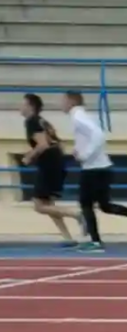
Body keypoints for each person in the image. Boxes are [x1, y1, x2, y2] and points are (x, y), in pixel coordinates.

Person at [63, 91, 127, 253]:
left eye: (63, 101)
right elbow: (90, 137)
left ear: (71, 101)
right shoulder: (83, 116)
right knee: (104, 206)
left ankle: (96, 242)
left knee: (85, 203)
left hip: (93, 169)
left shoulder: (77, 116)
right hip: (102, 167)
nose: (61, 104)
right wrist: (79, 150)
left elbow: (98, 135)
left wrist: (84, 155)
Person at [19, 93, 82, 246]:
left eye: (23, 104)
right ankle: (68, 238)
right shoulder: (43, 121)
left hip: (49, 163)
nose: (19, 107)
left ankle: (77, 215)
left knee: (39, 206)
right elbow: (57, 142)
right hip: (55, 161)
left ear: (31, 106)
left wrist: (29, 156)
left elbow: (43, 145)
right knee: (48, 204)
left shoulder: (32, 121)